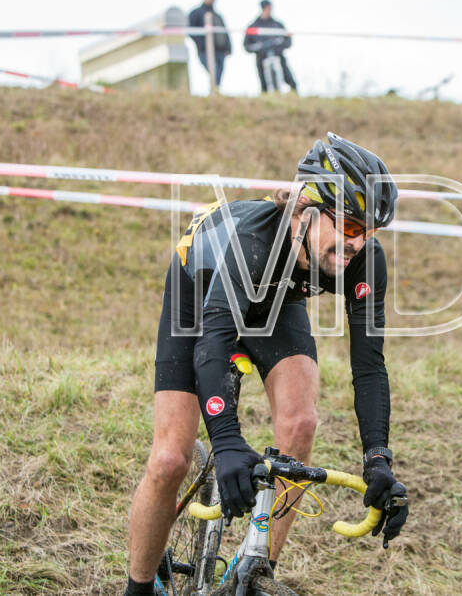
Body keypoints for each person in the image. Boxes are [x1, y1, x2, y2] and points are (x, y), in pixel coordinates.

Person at [123, 133, 408, 596]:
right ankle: (136, 587)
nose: (360, 243)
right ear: (307, 211)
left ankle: (256, 568)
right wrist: (229, 441)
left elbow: (370, 367)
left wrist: (378, 460)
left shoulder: (363, 261)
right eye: (351, 228)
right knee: (171, 456)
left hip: (276, 302)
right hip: (201, 294)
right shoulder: (253, 243)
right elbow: (211, 343)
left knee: (301, 423)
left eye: (370, 232)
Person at [244, 0, 298, 94]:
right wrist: (261, 48)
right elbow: (247, 46)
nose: (269, 10)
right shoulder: (253, 26)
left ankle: (294, 94)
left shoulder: (277, 24)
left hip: (278, 56)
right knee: (264, 83)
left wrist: (278, 46)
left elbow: (287, 41)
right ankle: (266, 98)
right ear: (263, 8)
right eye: (267, 8)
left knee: (288, 78)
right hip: (261, 57)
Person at [188, 0, 232, 86]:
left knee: (219, 75)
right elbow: (191, 31)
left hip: (220, 51)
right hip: (206, 51)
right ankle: (214, 94)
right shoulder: (197, 13)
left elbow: (224, 31)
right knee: (214, 72)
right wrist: (202, 45)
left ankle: (215, 93)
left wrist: (228, 47)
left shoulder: (217, 15)